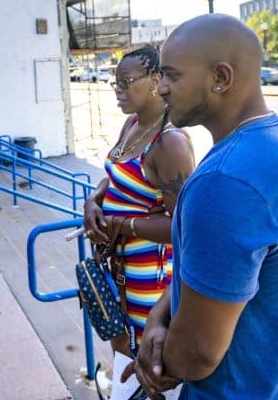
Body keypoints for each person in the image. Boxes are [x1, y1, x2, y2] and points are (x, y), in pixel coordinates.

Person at [126, 14, 278, 400]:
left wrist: (153, 362)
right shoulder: (274, 141)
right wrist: (159, 316)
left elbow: (196, 355)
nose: (163, 88)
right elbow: (220, 274)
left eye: (171, 75)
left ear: (221, 78)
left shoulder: (226, 181)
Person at [82, 46, 195, 379]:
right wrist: (93, 200)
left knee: (146, 363)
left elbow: (184, 226)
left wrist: (123, 225)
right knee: (121, 352)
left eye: (126, 81)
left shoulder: (169, 142)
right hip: (119, 269)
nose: (117, 89)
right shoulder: (132, 124)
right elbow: (116, 175)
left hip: (152, 278)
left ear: (156, 80)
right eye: (114, 81)